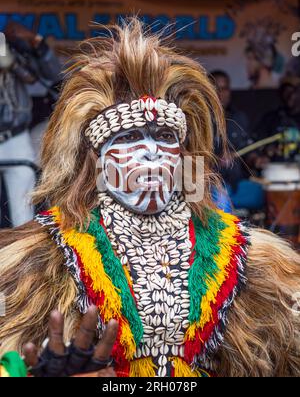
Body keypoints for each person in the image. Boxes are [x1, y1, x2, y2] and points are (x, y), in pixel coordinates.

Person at [0, 19, 299, 377]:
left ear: (184, 154)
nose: (151, 152)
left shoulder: (253, 256)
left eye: (163, 135)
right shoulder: (40, 256)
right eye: (127, 139)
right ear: (95, 159)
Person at [0, 22, 61, 227]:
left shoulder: (8, 45)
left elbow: (53, 74)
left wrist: (32, 39)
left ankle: (21, 255)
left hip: (13, 137)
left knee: (22, 213)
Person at [210, 70, 264, 211]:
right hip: (209, 187)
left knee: (263, 193)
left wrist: (254, 159)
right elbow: (192, 158)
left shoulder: (239, 117)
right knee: (221, 200)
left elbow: (247, 147)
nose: (222, 93)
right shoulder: (199, 119)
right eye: (217, 88)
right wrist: (216, 158)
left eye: (225, 88)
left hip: (237, 186)